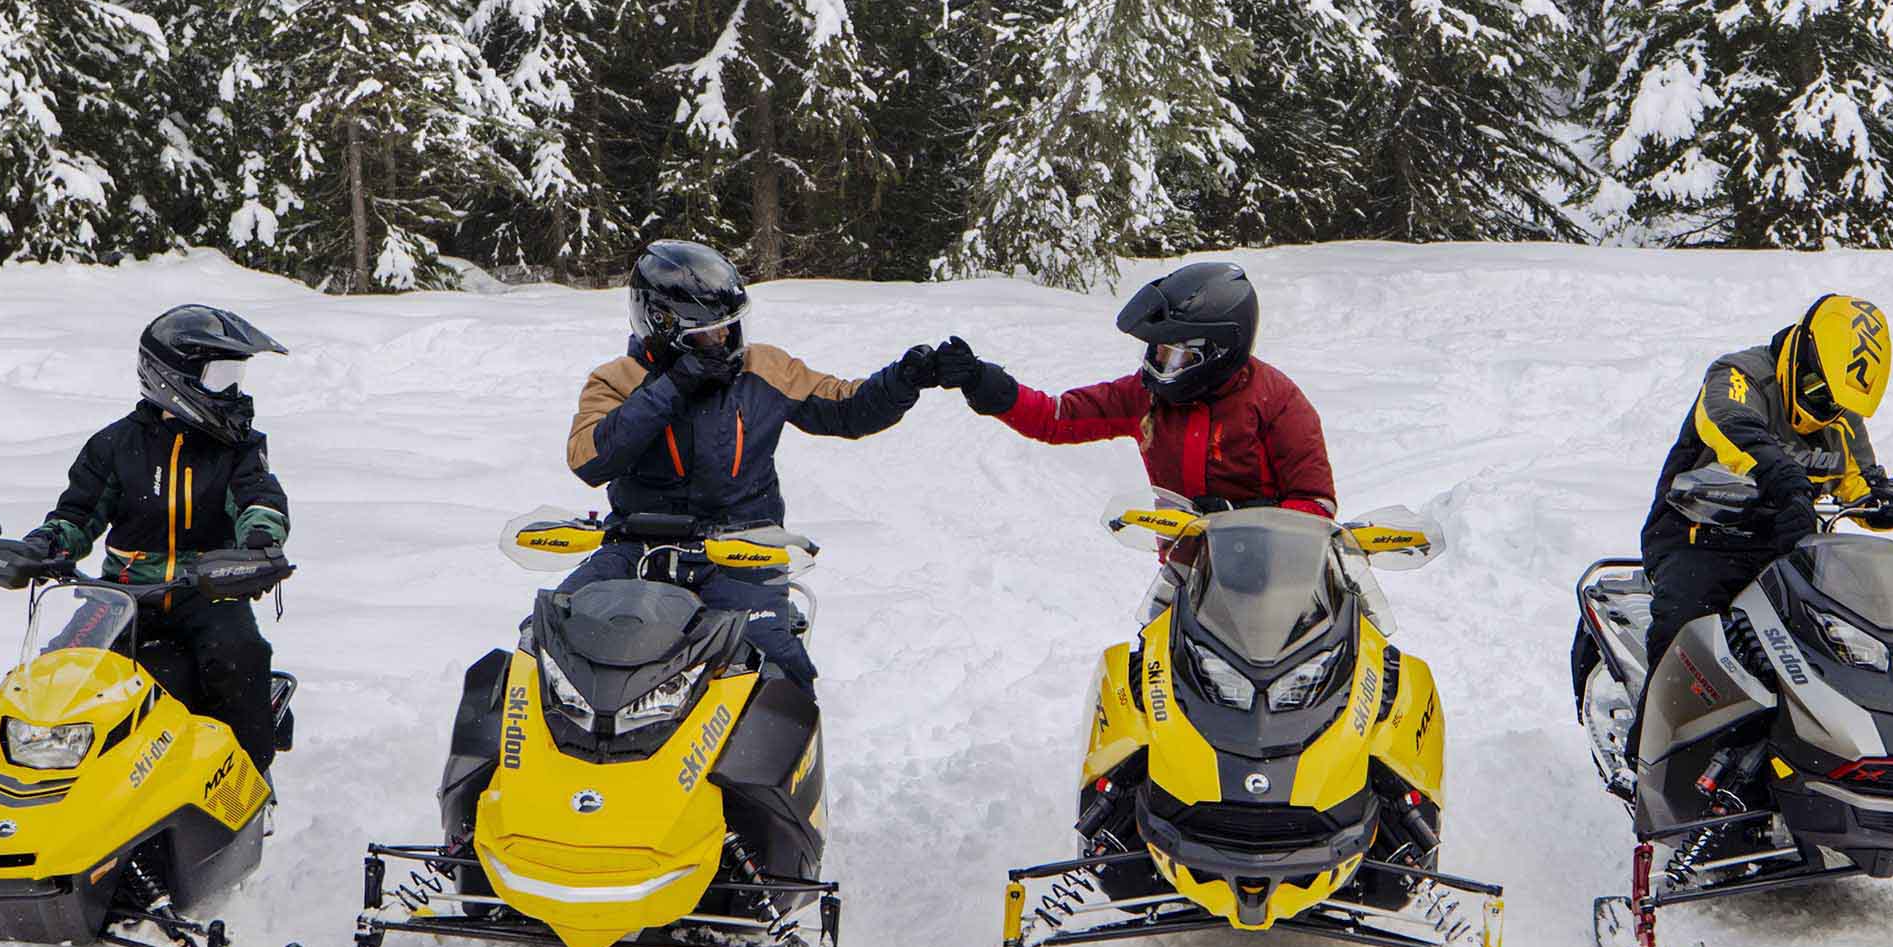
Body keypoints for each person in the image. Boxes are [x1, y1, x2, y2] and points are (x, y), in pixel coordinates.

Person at [437, 240, 956, 853]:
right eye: (710, 334)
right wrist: (673, 387)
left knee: (774, 657)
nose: (727, 343)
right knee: (548, 634)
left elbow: (845, 409)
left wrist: (906, 378)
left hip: (743, 546)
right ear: (662, 329)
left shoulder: (765, 368)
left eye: (732, 328)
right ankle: (500, 810)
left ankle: (777, 828)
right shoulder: (617, 379)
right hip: (636, 543)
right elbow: (592, 458)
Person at [1631, 295, 1893, 782]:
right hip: (1701, 534)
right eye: (1821, 394)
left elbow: (1858, 481)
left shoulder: (1840, 415)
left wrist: (1891, 505)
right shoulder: (1739, 374)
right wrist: (1781, 476)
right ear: (1804, 355)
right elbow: (1731, 425)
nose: (1827, 410)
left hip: (1789, 546)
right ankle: (1651, 758)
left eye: (1837, 404)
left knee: (1843, 634)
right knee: (1687, 626)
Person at [22, 305, 293, 769]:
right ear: (171, 377)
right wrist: (48, 543)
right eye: (219, 378)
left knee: (239, 654)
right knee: (54, 671)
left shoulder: (240, 448)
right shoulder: (115, 445)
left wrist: (258, 544)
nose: (231, 391)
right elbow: (79, 513)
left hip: (209, 590)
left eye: (235, 378)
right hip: (122, 594)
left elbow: (258, 500)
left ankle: (247, 777)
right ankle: (47, 779)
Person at [939, 262, 1334, 514]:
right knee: (1146, 648)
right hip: (1186, 580)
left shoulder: (1277, 402)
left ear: (1220, 350)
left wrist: (1247, 518)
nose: (1163, 367)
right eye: (1159, 353)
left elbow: (1316, 502)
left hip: (1277, 579)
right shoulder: (1146, 397)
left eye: (1177, 356)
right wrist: (982, 381)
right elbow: (1056, 418)